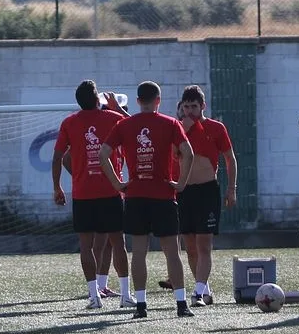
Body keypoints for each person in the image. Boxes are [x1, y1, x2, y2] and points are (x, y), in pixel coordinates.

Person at [99, 81, 195, 319]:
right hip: (163, 195)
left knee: (139, 252)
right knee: (172, 252)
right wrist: (181, 183)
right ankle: (181, 304)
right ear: (158, 101)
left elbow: (103, 155)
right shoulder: (171, 123)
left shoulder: (125, 124)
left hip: (136, 196)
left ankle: (141, 305)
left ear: (139, 101)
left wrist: (117, 184)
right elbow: (188, 152)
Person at [53, 81, 135, 309]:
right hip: (111, 191)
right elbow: (135, 127)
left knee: (86, 245)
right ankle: (126, 295)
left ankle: (94, 296)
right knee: (118, 242)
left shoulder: (70, 122)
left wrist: (57, 187)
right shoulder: (112, 118)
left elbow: (58, 156)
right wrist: (116, 108)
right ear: (96, 97)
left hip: (83, 195)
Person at [176, 85, 237, 307]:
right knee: (190, 247)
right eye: (186, 106)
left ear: (203, 106)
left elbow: (230, 158)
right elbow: (172, 156)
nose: (190, 111)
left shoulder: (215, 127)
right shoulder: (178, 128)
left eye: (194, 106)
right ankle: (205, 288)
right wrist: (184, 127)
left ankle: (198, 292)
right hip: (184, 192)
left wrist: (232, 188)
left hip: (207, 190)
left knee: (204, 245)